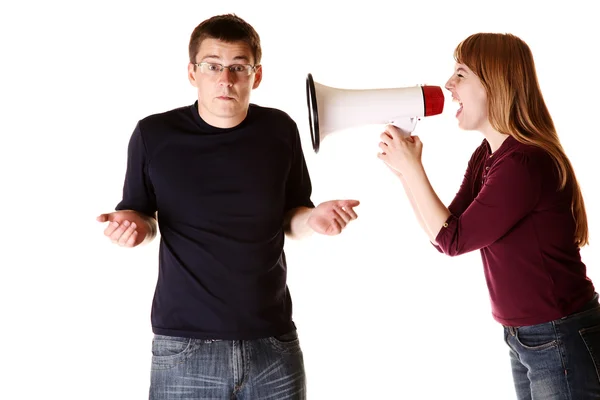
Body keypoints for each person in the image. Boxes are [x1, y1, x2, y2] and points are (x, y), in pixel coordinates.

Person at [96, 13, 359, 400]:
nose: (226, 79)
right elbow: (142, 216)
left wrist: (315, 219)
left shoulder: (280, 130)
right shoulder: (153, 134)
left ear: (257, 74)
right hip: (184, 348)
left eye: (238, 67)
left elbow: (293, 215)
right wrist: (132, 228)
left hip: (274, 343)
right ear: (192, 72)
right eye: (213, 66)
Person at [377, 32, 600, 399]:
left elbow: (452, 239)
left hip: (558, 334)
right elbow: (443, 232)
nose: (448, 84)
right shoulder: (488, 156)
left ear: (495, 83)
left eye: (461, 73)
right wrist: (405, 172)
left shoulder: (524, 163)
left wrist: (413, 170)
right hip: (526, 336)